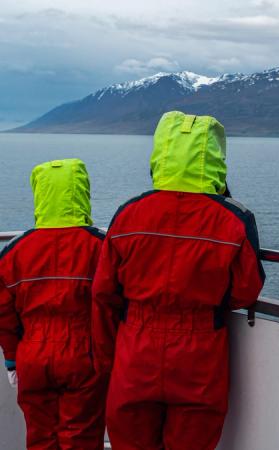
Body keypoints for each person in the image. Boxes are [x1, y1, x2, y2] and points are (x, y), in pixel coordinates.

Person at [92, 111, 265, 450]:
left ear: (160, 154)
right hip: (200, 353)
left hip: (135, 350)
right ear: (216, 157)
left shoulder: (129, 213)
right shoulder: (234, 218)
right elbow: (246, 291)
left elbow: (103, 292)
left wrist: (107, 360)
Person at [0, 158, 107, 449]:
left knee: (40, 436)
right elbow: (113, 303)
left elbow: (4, 314)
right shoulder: (100, 247)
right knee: (81, 436)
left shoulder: (14, 252)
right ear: (81, 192)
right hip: (84, 355)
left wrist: (11, 359)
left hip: (32, 356)